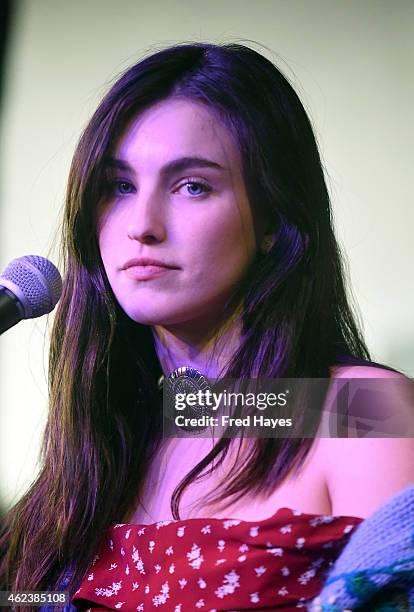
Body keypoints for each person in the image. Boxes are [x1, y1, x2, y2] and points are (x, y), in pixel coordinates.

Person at [1, 41, 413, 611]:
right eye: (119, 186)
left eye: (192, 185)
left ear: (273, 219)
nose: (141, 225)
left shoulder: (362, 409)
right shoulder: (113, 437)